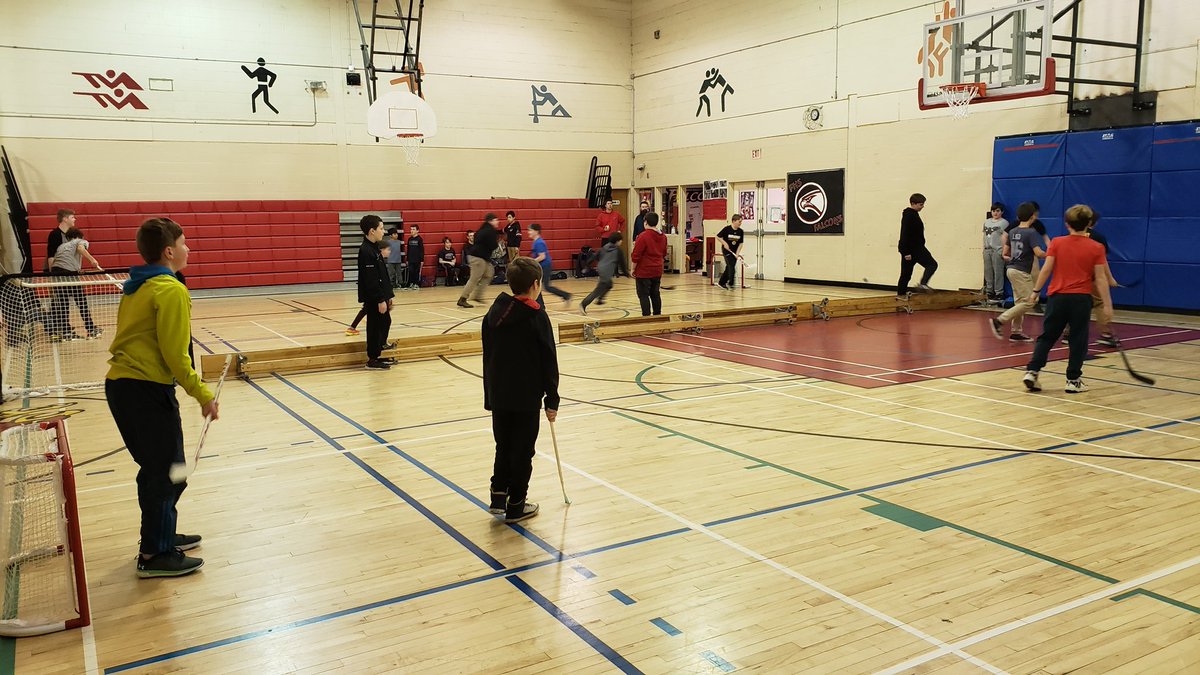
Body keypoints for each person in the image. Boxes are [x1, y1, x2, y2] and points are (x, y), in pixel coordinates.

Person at [105, 217, 217, 578]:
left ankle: (162, 535)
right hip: (144, 391)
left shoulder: (138, 284)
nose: (189, 249)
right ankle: (154, 553)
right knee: (167, 474)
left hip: (127, 388)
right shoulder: (169, 289)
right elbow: (175, 353)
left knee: (164, 471)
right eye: (184, 243)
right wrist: (202, 393)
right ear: (169, 251)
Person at [482, 256, 559, 524]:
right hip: (525, 396)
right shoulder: (537, 317)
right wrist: (553, 398)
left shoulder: (492, 314)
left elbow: (488, 356)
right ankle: (516, 504)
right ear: (536, 284)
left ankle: (497, 496)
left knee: (503, 444)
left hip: (499, 394)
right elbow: (549, 360)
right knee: (523, 450)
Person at [1021, 204, 1113, 394]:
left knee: (1047, 336)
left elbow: (1046, 269)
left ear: (1066, 223)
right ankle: (1073, 380)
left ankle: (1033, 371)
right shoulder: (1097, 247)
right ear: (1089, 223)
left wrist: (1036, 290)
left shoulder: (1057, 242)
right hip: (1080, 300)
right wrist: (1107, 305)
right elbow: (1101, 278)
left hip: (1057, 298)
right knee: (1078, 339)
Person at [989, 202, 1045, 342]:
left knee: (1020, 301)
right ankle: (1000, 320)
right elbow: (1038, 252)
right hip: (1021, 271)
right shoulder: (1031, 232)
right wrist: (1051, 253)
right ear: (1033, 217)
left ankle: (1016, 331)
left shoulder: (1013, 231)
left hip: (1011, 269)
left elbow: (1006, 253)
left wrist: (1011, 257)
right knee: (1031, 301)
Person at [48, 227, 104, 340]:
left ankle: (66, 331)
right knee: (81, 301)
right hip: (69, 273)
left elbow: (57, 261)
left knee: (63, 303)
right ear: (80, 236)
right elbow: (80, 248)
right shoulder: (80, 241)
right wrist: (92, 260)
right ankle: (91, 329)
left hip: (56, 273)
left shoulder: (61, 246)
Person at [357, 215, 394, 369]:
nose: (383, 231)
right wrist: (380, 299)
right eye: (381, 228)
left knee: (384, 322)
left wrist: (388, 296)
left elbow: (382, 275)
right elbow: (371, 279)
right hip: (374, 298)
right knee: (374, 327)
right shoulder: (366, 251)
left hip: (381, 296)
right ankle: (372, 358)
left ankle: (378, 353)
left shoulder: (374, 248)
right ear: (372, 231)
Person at [1085, 212, 1119, 347]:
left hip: (1075, 278)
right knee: (1099, 303)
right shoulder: (1098, 238)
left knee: (1077, 305)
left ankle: (1068, 333)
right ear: (1093, 222)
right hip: (1092, 277)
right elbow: (1102, 261)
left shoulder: (1068, 238)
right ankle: (1105, 333)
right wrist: (1110, 278)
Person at [896, 193, 937, 298]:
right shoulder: (909, 215)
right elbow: (904, 233)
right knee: (932, 264)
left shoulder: (913, 214)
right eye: (920, 204)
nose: (922, 206)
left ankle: (901, 294)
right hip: (913, 249)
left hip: (915, 248)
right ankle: (919, 286)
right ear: (913, 203)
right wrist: (906, 252)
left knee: (906, 275)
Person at [346, 239, 390, 336]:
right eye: (388, 249)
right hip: (372, 293)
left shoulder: (380, 260)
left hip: (377, 294)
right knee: (366, 309)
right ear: (382, 250)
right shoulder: (371, 256)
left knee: (366, 310)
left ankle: (354, 326)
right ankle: (352, 327)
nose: (389, 252)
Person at [458, 214, 501, 309]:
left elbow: (477, 238)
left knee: (489, 273)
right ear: (491, 221)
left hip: (480, 257)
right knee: (474, 278)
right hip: (478, 257)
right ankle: (463, 299)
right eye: (496, 220)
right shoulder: (490, 231)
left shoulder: (483, 228)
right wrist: (497, 240)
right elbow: (493, 245)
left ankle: (478, 295)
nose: (497, 222)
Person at [631, 212, 666, 316]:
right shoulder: (663, 236)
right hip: (657, 269)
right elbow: (664, 253)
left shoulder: (643, 236)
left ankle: (646, 316)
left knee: (643, 295)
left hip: (644, 270)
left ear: (645, 222)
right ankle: (657, 315)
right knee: (655, 294)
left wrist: (633, 269)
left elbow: (636, 255)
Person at [528, 223, 571, 306]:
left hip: (545, 266)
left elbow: (542, 256)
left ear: (536, 231)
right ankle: (541, 304)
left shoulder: (539, 242)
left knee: (543, 286)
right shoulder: (536, 242)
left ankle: (565, 295)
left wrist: (532, 262)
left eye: (530, 230)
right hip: (541, 267)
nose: (528, 232)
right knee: (537, 286)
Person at [580, 232, 622, 314]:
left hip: (601, 270)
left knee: (609, 284)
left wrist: (587, 265)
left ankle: (600, 299)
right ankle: (583, 304)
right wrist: (627, 273)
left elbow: (594, 256)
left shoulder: (604, 247)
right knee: (597, 291)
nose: (621, 242)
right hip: (606, 272)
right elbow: (622, 263)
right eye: (620, 240)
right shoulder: (618, 250)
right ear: (617, 241)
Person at [982, 203, 1008, 304]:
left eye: (997, 211)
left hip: (997, 250)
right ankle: (989, 291)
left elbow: (1005, 238)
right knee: (988, 271)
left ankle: (999, 293)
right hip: (987, 249)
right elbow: (984, 236)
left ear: (1002, 212)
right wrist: (983, 248)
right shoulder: (986, 222)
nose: (995, 213)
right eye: (993, 211)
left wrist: (1003, 251)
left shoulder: (1004, 223)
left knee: (998, 272)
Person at [716, 214, 745, 290]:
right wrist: (725, 243)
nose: (740, 223)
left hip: (734, 252)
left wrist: (737, 253)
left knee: (729, 267)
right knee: (731, 266)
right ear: (734, 221)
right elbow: (718, 237)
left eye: (741, 222)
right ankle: (731, 282)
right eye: (739, 221)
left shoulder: (741, 231)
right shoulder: (727, 229)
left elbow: (741, 243)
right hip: (727, 251)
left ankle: (722, 282)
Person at [404, 224, 425, 289]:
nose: (411, 231)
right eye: (411, 229)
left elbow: (421, 250)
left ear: (417, 231)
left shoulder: (419, 239)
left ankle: (416, 284)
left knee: (416, 272)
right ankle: (411, 283)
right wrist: (407, 259)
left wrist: (422, 260)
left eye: (413, 229)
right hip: (410, 259)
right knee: (411, 272)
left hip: (417, 259)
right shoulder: (409, 239)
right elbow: (408, 250)